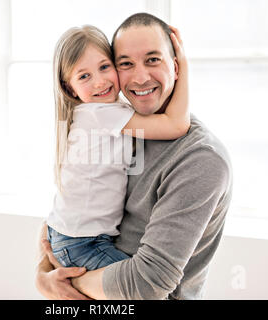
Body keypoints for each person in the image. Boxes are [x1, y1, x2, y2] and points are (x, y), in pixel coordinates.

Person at [36, 12, 232, 300]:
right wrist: (43, 274)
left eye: (153, 60)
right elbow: (67, 206)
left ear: (175, 66)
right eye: (126, 63)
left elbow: (145, 285)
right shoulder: (118, 125)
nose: (140, 77)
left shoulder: (200, 159)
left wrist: (64, 283)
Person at [46, 24, 189, 272]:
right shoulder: (100, 114)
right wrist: (183, 66)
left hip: (73, 234)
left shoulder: (109, 112)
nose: (100, 82)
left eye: (104, 67)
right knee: (144, 284)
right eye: (84, 76)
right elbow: (176, 125)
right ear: (70, 88)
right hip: (82, 242)